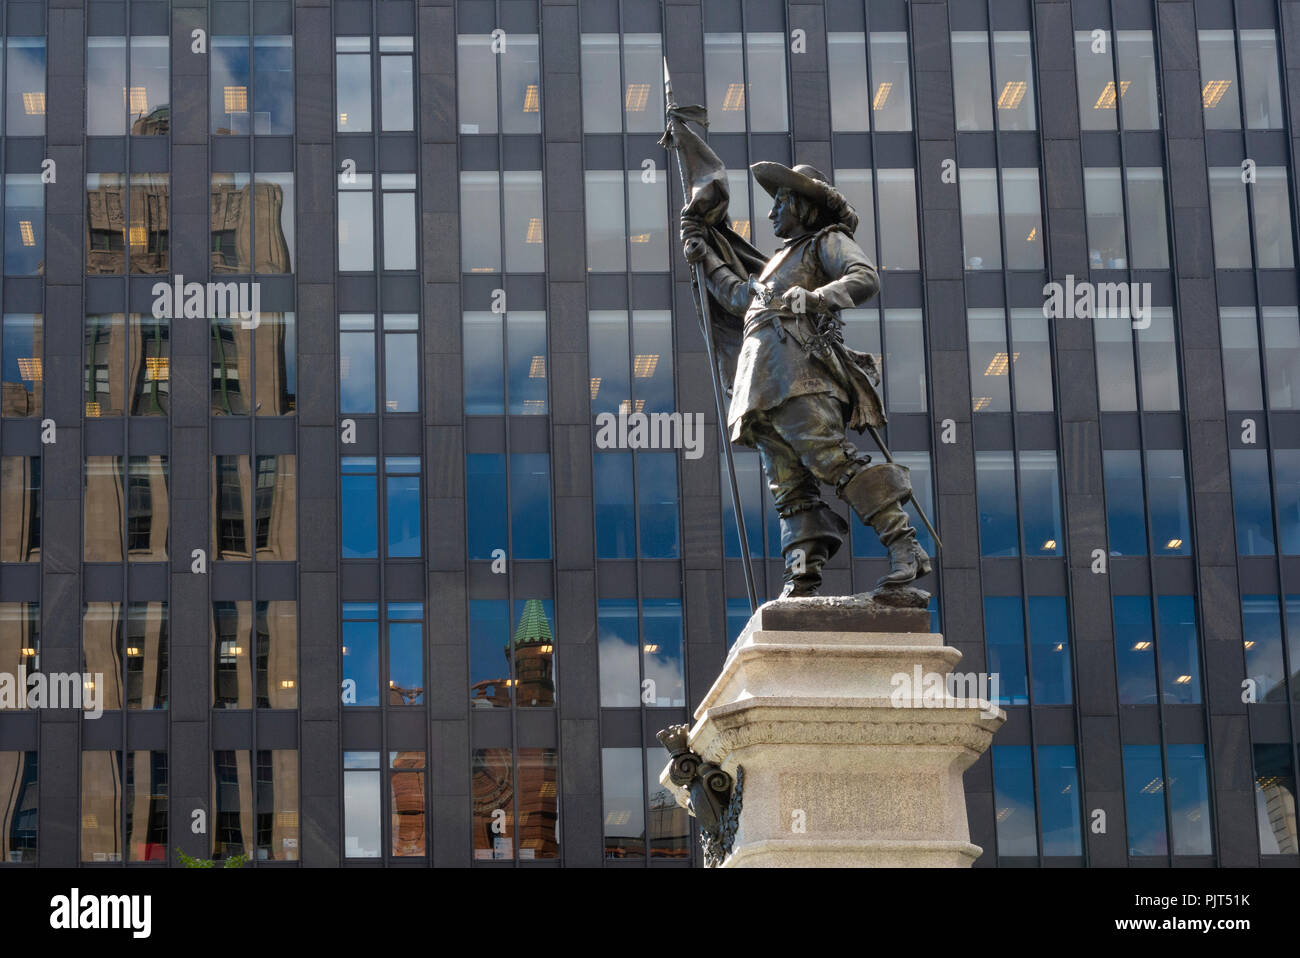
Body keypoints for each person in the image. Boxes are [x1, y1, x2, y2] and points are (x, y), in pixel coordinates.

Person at [682, 161, 931, 598]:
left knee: (832, 460)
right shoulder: (777, 261)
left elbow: (864, 278)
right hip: (760, 383)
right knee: (788, 485)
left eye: (780, 202)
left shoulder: (825, 242)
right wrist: (705, 255)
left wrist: (816, 297)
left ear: (803, 205)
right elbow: (742, 299)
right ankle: (802, 577)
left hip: (802, 375)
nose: (772, 212)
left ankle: (905, 547)